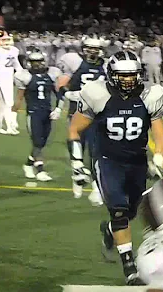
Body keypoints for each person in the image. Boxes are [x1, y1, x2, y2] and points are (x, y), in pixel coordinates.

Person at [68, 50, 163, 285]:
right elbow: (75, 129)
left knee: (132, 211)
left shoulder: (149, 95)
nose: (128, 80)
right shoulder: (98, 94)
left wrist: (159, 157)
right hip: (107, 160)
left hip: (136, 162)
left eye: (132, 75)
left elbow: (159, 129)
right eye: (122, 75)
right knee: (119, 210)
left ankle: (110, 231)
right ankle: (129, 267)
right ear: (111, 75)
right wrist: (76, 161)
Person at [57, 35, 107, 205]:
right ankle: (77, 176)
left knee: (96, 153)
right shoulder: (75, 63)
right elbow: (62, 86)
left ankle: (96, 187)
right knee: (77, 147)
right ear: (84, 48)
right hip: (78, 111)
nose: (92, 51)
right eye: (89, 48)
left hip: (96, 113)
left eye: (95, 48)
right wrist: (66, 98)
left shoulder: (105, 66)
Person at [12, 50, 64, 182]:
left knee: (42, 143)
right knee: (37, 142)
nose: (37, 65)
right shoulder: (24, 76)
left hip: (47, 112)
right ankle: (40, 170)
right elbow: (19, 97)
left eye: (39, 62)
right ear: (29, 63)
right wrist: (13, 115)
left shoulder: (51, 74)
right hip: (34, 113)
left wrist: (58, 108)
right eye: (34, 62)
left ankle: (28, 164)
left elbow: (59, 93)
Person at [0, 30, 22, 134]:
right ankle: (10, 127)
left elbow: (16, 64)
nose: (6, 42)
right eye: (3, 40)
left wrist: (22, 73)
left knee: (2, 104)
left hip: (9, 79)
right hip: (0, 79)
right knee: (8, 103)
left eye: (7, 39)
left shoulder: (14, 50)